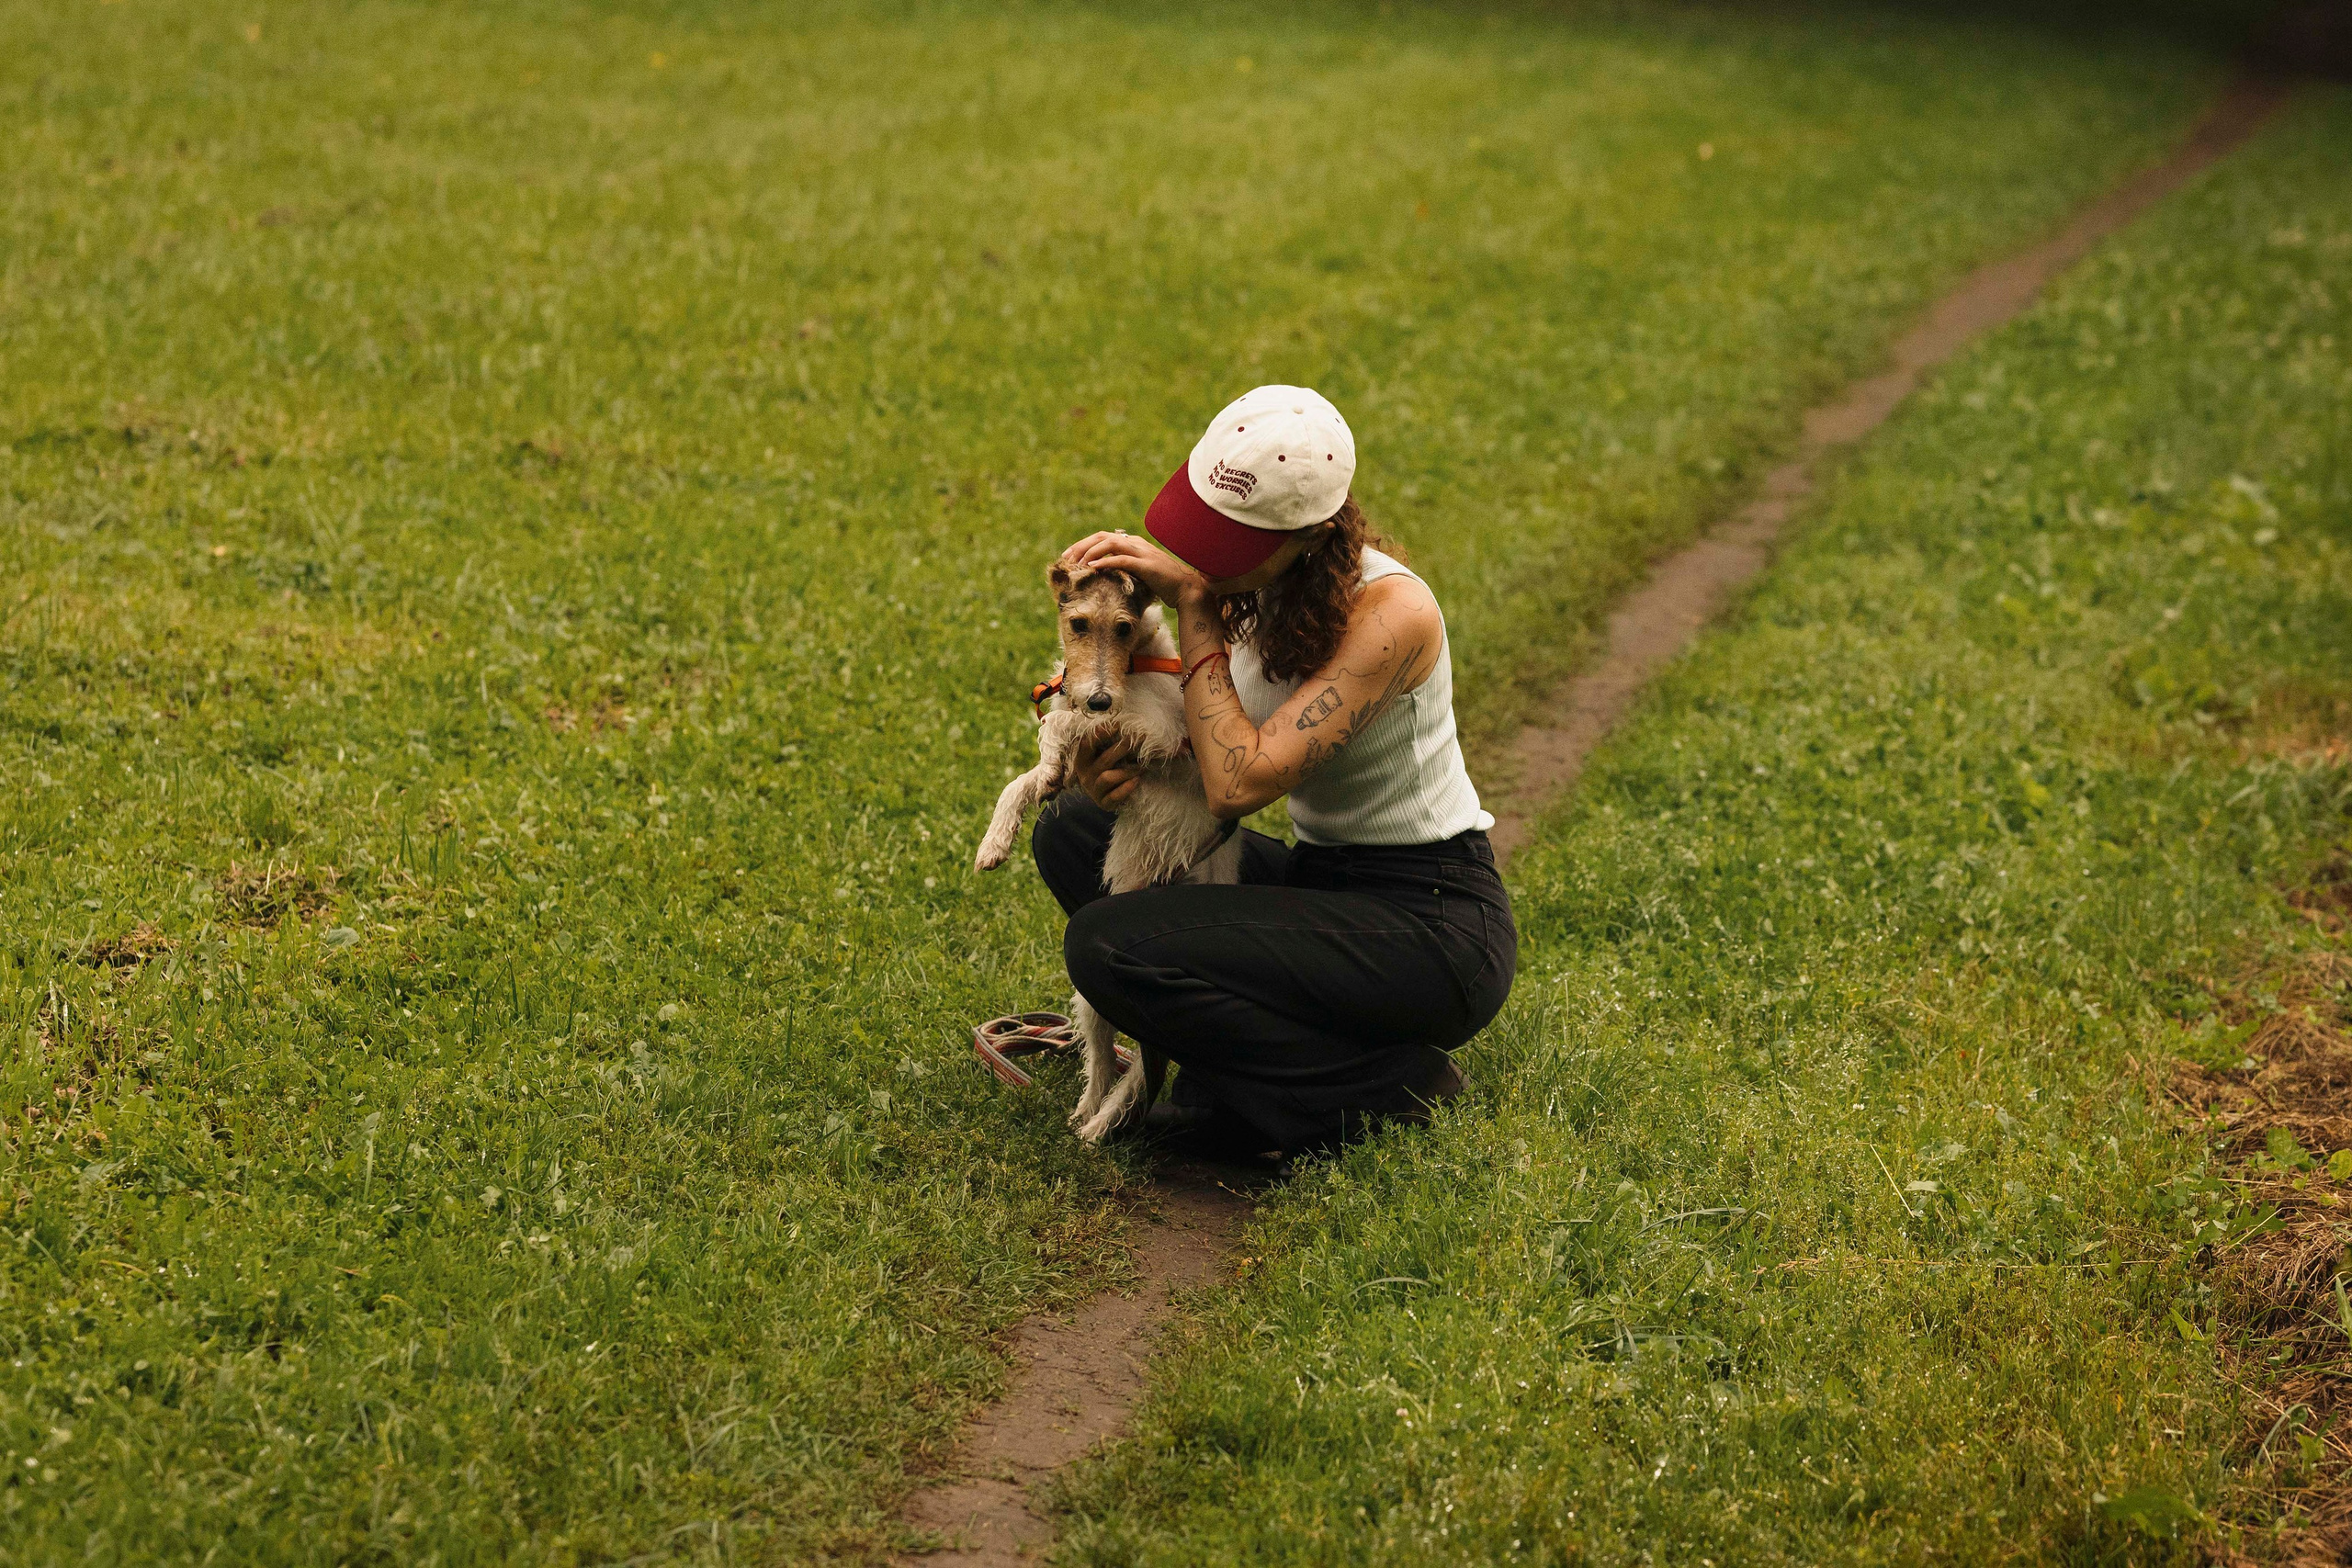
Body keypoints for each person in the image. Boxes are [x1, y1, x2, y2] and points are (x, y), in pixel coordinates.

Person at [1031, 384, 1516, 1158]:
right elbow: (1176, 742)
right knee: (1071, 831)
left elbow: (1237, 784)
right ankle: (1241, 1072)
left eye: (1234, 538)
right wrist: (1103, 770)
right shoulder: (1253, 587)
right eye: (1207, 526)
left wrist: (1193, 606)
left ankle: (1381, 1086)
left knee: (1107, 945)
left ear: (1313, 533)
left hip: (1431, 926)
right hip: (1323, 881)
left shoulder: (1393, 614)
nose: (1206, 554)